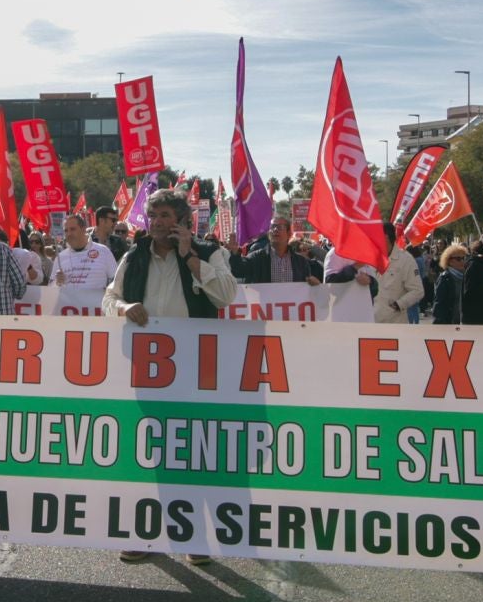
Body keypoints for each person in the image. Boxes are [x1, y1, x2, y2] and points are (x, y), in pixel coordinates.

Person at [104, 189, 236, 564]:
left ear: (183, 221)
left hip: (195, 372)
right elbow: (108, 300)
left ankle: (192, 536)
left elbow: (227, 297)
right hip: (148, 373)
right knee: (151, 453)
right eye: (154, 216)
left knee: (192, 453)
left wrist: (191, 258)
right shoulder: (134, 256)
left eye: (166, 215)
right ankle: (146, 535)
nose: (159, 222)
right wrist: (125, 307)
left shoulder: (209, 253)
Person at [232, 217, 321, 286]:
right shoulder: (257, 258)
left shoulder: (301, 262)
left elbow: (306, 287)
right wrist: (235, 252)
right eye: (272, 227)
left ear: (289, 234)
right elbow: (238, 271)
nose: (275, 230)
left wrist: (315, 285)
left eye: (280, 227)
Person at [371, 222, 425, 325]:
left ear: (386, 237)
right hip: (369, 322)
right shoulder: (370, 257)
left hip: (394, 323)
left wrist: (398, 305)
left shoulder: (406, 260)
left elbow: (418, 291)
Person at [51, 214, 119, 293]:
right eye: (66, 230)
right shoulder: (60, 258)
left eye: (72, 229)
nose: (69, 234)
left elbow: (117, 281)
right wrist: (56, 283)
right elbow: (50, 291)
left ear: (83, 229)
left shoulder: (103, 251)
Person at [432, 243, 468, 324]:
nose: (462, 261)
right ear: (449, 261)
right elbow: (439, 303)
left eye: (463, 258)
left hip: (464, 323)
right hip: (450, 323)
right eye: (458, 259)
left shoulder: (466, 276)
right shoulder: (445, 278)